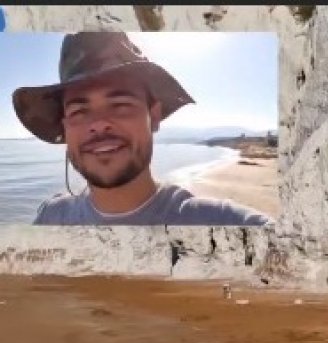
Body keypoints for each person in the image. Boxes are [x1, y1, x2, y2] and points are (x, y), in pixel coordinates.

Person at [11, 31, 273, 226]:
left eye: (120, 104)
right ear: (65, 127)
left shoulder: (223, 223)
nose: (99, 123)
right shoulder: (51, 217)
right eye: (79, 111)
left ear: (154, 116)